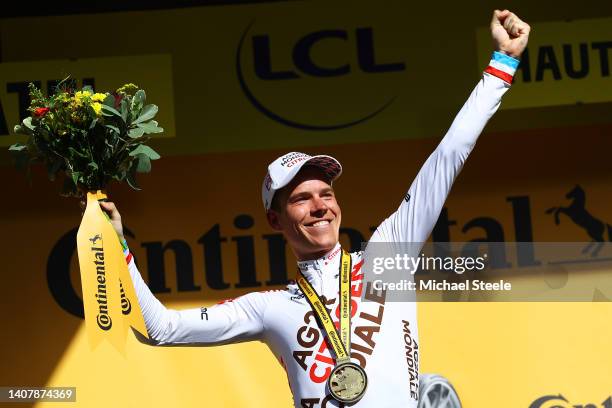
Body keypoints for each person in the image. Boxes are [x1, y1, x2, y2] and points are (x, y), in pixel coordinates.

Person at [99, 10, 530, 407]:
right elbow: (159, 329)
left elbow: (449, 155)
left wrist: (502, 66)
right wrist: (117, 245)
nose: (319, 206)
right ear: (275, 218)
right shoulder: (268, 308)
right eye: (301, 199)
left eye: (326, 193)